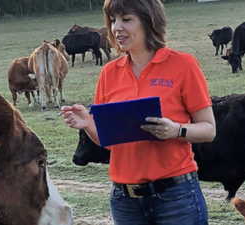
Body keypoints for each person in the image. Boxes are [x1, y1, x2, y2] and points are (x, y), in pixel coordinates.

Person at [61, 0, 216, 224]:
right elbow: (110, 143)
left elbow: (209, 130)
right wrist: (87, 123)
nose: (116, 28)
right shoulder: (108, 73)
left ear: (149, 21)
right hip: (124, 201)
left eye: (126, 19)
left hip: (175, 197)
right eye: (113, 20)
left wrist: (176, 130)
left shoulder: (184, 65)